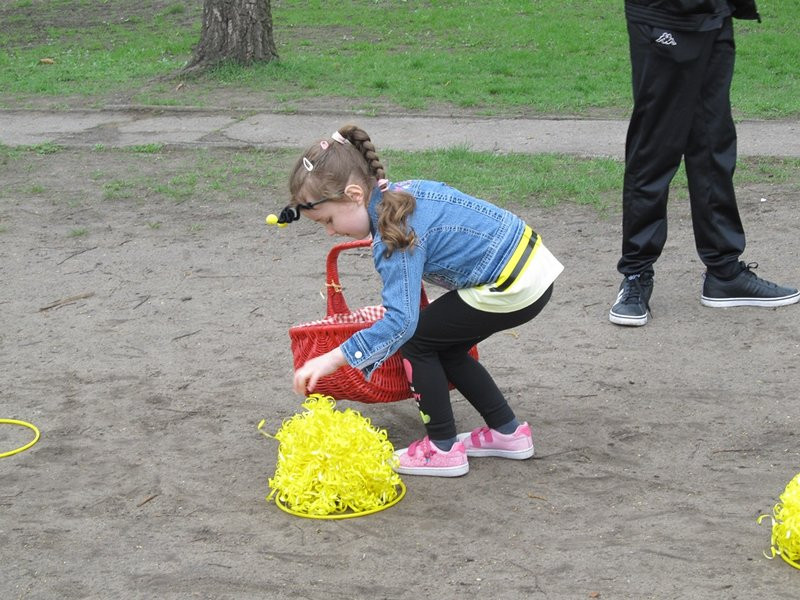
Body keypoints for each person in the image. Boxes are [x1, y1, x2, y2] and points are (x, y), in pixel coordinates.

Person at [268, 125, 563, 477]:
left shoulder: (393, 234)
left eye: (329, 220)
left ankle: (442, 448)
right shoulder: (404, 193)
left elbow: (400, 322)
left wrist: (333, 359)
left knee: (416, 340)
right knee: (444, 344)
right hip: (531, 268)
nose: (330, 231)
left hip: (511, 282)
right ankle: (507, 433)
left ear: (354, 193)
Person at [610, 0, 799, 326]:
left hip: (715, 15)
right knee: (655, 149)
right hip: (664, 16)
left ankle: (724, 272)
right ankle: (636, 275)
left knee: (713, 145)